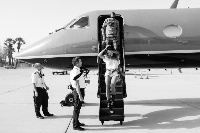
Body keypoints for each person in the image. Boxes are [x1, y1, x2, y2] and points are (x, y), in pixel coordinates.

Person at [70, 57, 86, 131]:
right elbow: (77, 84)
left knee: (78, 108)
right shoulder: (76, 71)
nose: (81, 62)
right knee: (76, 108)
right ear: (76, 63)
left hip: (77, 90)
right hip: (78, 91)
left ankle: (77, 122)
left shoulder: (76, 70)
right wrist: (80, 95)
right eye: (80, 61)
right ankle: (75, 125)